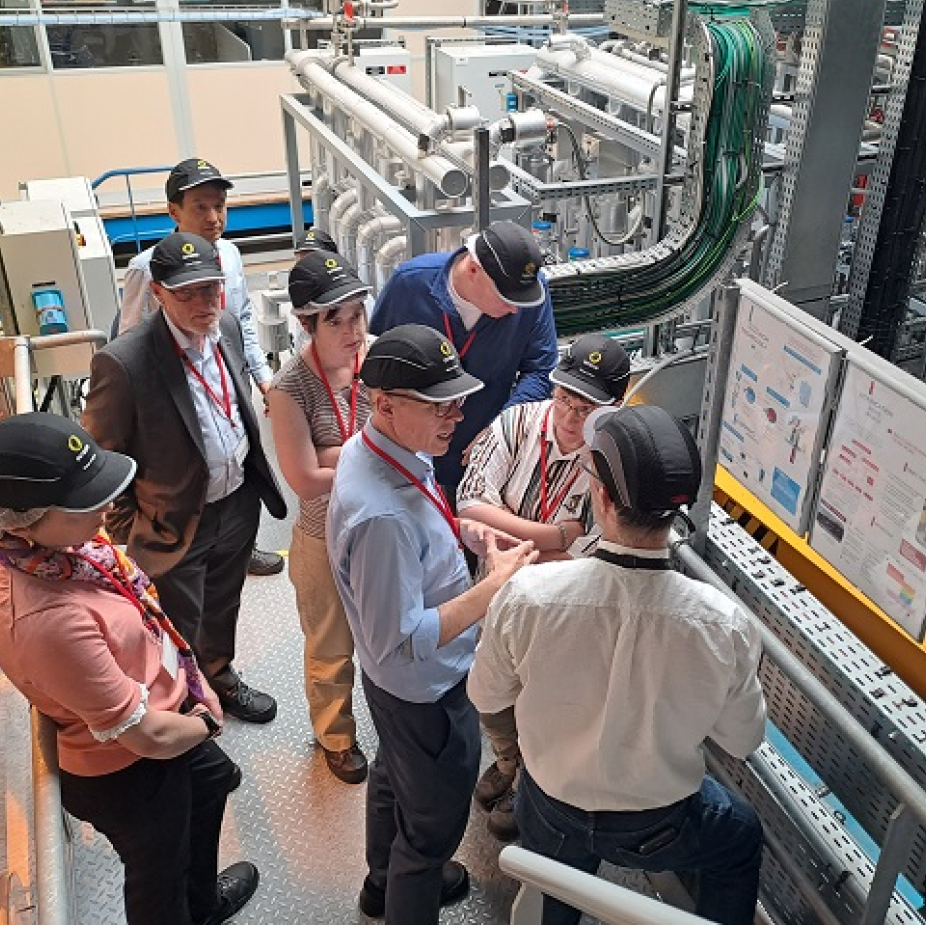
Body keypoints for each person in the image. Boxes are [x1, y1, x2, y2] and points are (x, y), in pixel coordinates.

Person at [468, 405, 767, 925]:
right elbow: (742, 742)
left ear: (601, 499)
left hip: (551, 808)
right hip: (658, 828)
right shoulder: (724, 624)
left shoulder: (528, 596)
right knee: (739, 837)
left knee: (552, 892)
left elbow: (486, 696)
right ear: (678, 511)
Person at [0, 412, 258, 925]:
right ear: (23, 518)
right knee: (156, 874)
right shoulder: (46, 619)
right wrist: (208, 722)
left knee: (212, 784)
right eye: (83, 500)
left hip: (167, 711)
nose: (106, 505)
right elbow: (145, 737)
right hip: (126, 768)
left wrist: (192, 686)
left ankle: (202, 906)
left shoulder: (57, 551)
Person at [327, 324, 537, 925]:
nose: (456, 414)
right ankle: (410, 884)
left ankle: (380, 882)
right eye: (439, 403)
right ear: (384, 403)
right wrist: (493, 587)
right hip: (425, 692)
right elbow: (408, 639)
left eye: (458, 398)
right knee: (432, 830)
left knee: (395, 778)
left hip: (391, 690)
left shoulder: (374, 449)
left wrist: (462, 533)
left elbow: (411, 544)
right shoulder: (383, 514)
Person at [84, 232, 288, 724]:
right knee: (177, 624)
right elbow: (104, 461)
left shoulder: (230, 331)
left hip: (237, 502)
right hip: (173, 522)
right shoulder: (125, 362)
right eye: (188, 293)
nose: (204, 303)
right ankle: (186, 706)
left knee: (224, 602)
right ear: (157, 293)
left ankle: (220, 677)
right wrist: (133, 532)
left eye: (212, 289)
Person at [456, 333, 632, 839]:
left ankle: (528, 783)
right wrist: (552, 536)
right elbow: (469, 504)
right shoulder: (517, 421)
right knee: (491, 696)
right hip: (494, 598)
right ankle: (508, 763)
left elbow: (594, 554)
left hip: (563, 613)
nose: (570, 419)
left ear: (613, 408)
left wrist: (509, 530)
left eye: (586, 409)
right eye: (564, 401)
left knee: (547, 704)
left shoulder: (618, 460)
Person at [116, 157, 283, 577]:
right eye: (201, 208)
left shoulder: (230, 253)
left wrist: (263, 379)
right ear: (173, 211)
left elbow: (241, 318)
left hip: (228, 376)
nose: (214, 218)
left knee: (236, 457)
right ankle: (182, 549)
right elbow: (130, 340)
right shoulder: (146, 268)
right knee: (190, 468)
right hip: (177, 390)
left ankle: (241, 547)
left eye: (220, 206)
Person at [267, 243, 372, 784]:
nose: (354, 331)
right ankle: (336, 737)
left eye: (358, 314)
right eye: (339, 321)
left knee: (386, 630)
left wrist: (336, 452)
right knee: (331, 647)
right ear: (310, 323)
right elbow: (304, 479)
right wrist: (370, 455)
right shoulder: (289, 389)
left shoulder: (375, 360)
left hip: (377, 528)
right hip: (322, 535)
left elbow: (407, 441)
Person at [369, 220, 557, 497]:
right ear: (472, 270)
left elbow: (541, 370)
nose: (516, 310)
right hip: (410, 450)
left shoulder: (529, 295)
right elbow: (374, 364)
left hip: (482, 451)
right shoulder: (410, 283)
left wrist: (499, 431)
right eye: (506, 298)